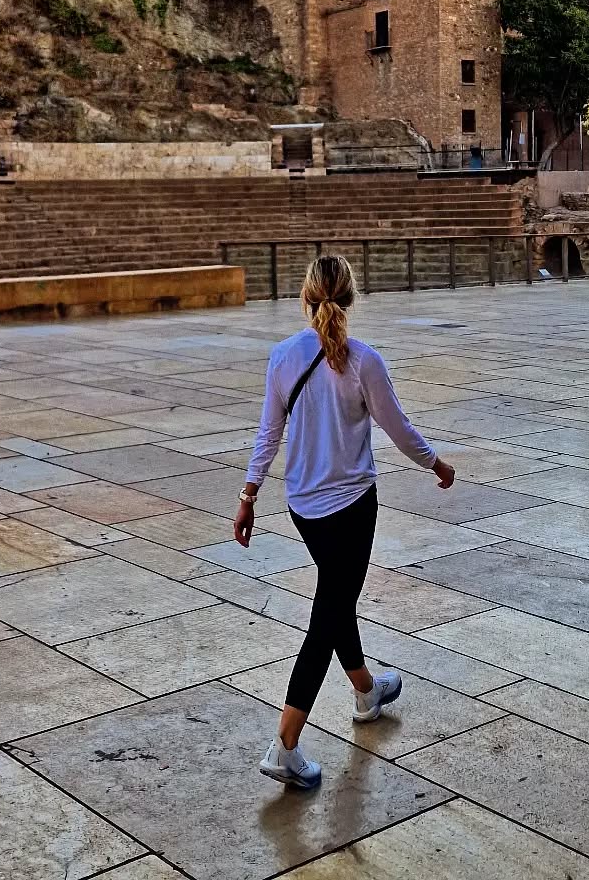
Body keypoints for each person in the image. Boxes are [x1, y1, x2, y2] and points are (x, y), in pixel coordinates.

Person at [234, 254, 455, 790]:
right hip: (353, 506)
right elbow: (397, 427)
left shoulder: (282, 356)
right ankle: (285, 744)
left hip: (303, 506)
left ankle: (365, 691)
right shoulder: (363, 361)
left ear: (305, 297)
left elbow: (269, 433)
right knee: (329, 612)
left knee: (337, 599)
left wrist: (249, 493)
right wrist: (436, 464)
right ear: (350, 298)